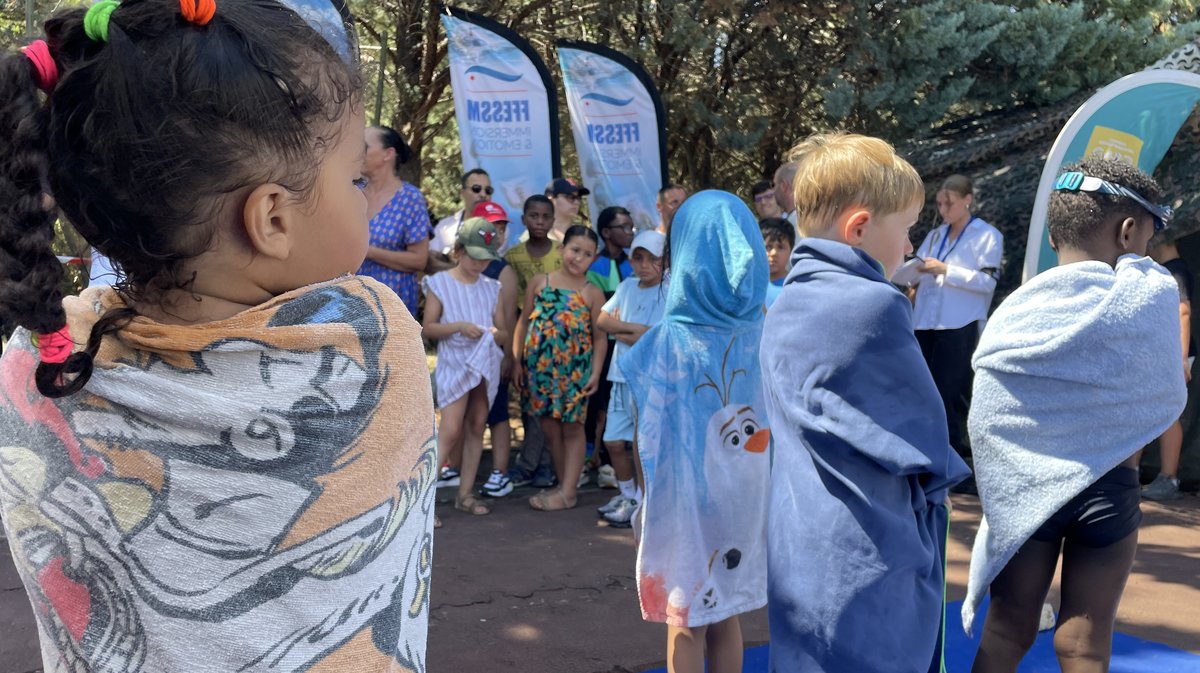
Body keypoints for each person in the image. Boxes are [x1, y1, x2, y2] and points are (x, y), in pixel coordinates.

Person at [0, 2, 436, 672]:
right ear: (270, 218)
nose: (366, 201)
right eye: (354, 179)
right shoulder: (373, 342)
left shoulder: (36, 365)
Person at [964, 159, 1186, 673]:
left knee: (1007, 627)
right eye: (1149, 237)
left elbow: (989, 411)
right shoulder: (1147, 297)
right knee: (1086, 645)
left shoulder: (1017, 309)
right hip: (1109, 492)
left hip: (1024, 492)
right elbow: (1164, 391)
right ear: (1129, 231)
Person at [760, 133, 970, 673]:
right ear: (858, 228)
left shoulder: (784, 305)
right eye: (905, 231)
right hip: (869, 547)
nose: (909, 248)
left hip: (799, 546)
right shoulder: (876, 304)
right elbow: (923, 437)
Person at [621, 191, 770, 673]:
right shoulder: (763, 331)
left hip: (687, 501)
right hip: (747, 498)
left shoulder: (669, 340)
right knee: (726, 612)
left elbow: (646, 420)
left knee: (685, 617)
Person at [912, 175, 1003, 487]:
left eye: (949, 202)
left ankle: (953, 464)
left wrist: (946, 271)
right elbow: (918, 264)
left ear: (967, 200)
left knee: (950, 394)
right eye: (939, 203)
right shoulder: (935, 235)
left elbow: (987, 283)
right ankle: (928, 460)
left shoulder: (987, 235)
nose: (943, 209)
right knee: (925, 391)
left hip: (958, 324)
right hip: (925, 322)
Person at [513, 226, 607, 511]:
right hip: (540, 371)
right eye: (575, 249)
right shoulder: (540, 283)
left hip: (574, 372)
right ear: (563, 248)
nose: (578, 258)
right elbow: (524, 323)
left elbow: (600, 337)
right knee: (549, 426)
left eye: (587, 254)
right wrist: (517, 361)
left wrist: (594, 373)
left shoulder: (592, 293)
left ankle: (568, 492)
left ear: (593, 259)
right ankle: (564, 482)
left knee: (573, 427)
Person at [422, 217, 507, 517]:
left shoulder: (491, 287)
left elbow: (503, 330)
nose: (479, 265)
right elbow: (428, 328)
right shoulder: (440, 283)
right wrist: (458, 327)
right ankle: (423, 508)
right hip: (455, 363)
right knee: (450, 429)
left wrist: (496, 335)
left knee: (476, 426)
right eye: (474, 257)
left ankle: (465, 494)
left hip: (483, 364)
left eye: (486, 259)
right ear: (458, 250)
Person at [595, 230, 667, 527]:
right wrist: (632, 329)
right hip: (620, 375)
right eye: (639, 257)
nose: (645, 264)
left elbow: (654, 335)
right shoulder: (626, 286)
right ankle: (629, 495)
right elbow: (601, 321)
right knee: (613, 441)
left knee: (642, 442)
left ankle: (645, 501)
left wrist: (621, 329)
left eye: (653, 258)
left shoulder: (668, 288)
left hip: (648, 379)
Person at [505, 195, 562, 489]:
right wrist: (515, 356)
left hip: (558, 340)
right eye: (534, 216)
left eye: (545, 217)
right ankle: (537, 465)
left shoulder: (562, 254)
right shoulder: (512, 257)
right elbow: (515, 309)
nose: (540, 222)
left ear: (553, 221)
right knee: (530, 404)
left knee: (550, 407)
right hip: (526, 334)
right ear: (524, 219)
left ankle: (541, 466)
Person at [585, 206, 636, 486]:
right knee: (599, 403)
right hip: (602, 346)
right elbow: (603, 314)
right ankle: (595, 456)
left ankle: (611, 457)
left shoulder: (634, 264)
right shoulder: (596, 266)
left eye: (631, 227)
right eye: (623, 227)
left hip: (629, 347)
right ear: (606, 232)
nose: (628, 232)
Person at [357, 125, 431, 317]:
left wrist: (367, 251)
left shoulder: (410, 199)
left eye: (364, 146)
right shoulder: (352, 192)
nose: (357, 151)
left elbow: (419, 259)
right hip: (349, 305)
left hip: (391, 309)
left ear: (388, 154)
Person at [474, 202, 521, 498]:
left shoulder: (503, 270)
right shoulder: (466, 263)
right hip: (468, 353)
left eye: (502, 228)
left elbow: (510, 318)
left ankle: (500, 472)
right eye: (491, 226)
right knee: (470, 410)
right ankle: (456, 465)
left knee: (498, 412)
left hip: (495, 352)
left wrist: (510, 357)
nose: (497, 233)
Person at [1141, 234, 1193, 501]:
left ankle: (1169, 478)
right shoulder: (1166, 270)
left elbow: (1183, 311)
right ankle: (1131, 471)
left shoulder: (1176, 271)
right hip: (1163, 353)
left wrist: (1181, 357)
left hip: (1173, 354)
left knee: (1167, 415)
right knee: (1148, 411)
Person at [430, 168, 494, 272]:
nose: (483, 194)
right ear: (462, 193)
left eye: (488, 190)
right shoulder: (445, 226)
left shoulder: (499, 229)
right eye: (476, 189)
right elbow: (431, 260)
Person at [760, 217, 794, 310]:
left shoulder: (795, 286)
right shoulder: (750, 285)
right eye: (768, 247)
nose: (774, 253)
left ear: (791, 251)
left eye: (781, 247)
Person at [546, 177, 590, 241]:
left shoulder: (583, 237)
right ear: (551, 200)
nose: (576, 202)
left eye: (578, 198)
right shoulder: (536, 235)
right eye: (570, 197)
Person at [773, 161, 799, 228]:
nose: (773, 191)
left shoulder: (795, 225)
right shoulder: (816, 217)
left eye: (774, 185)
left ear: (784, 186)